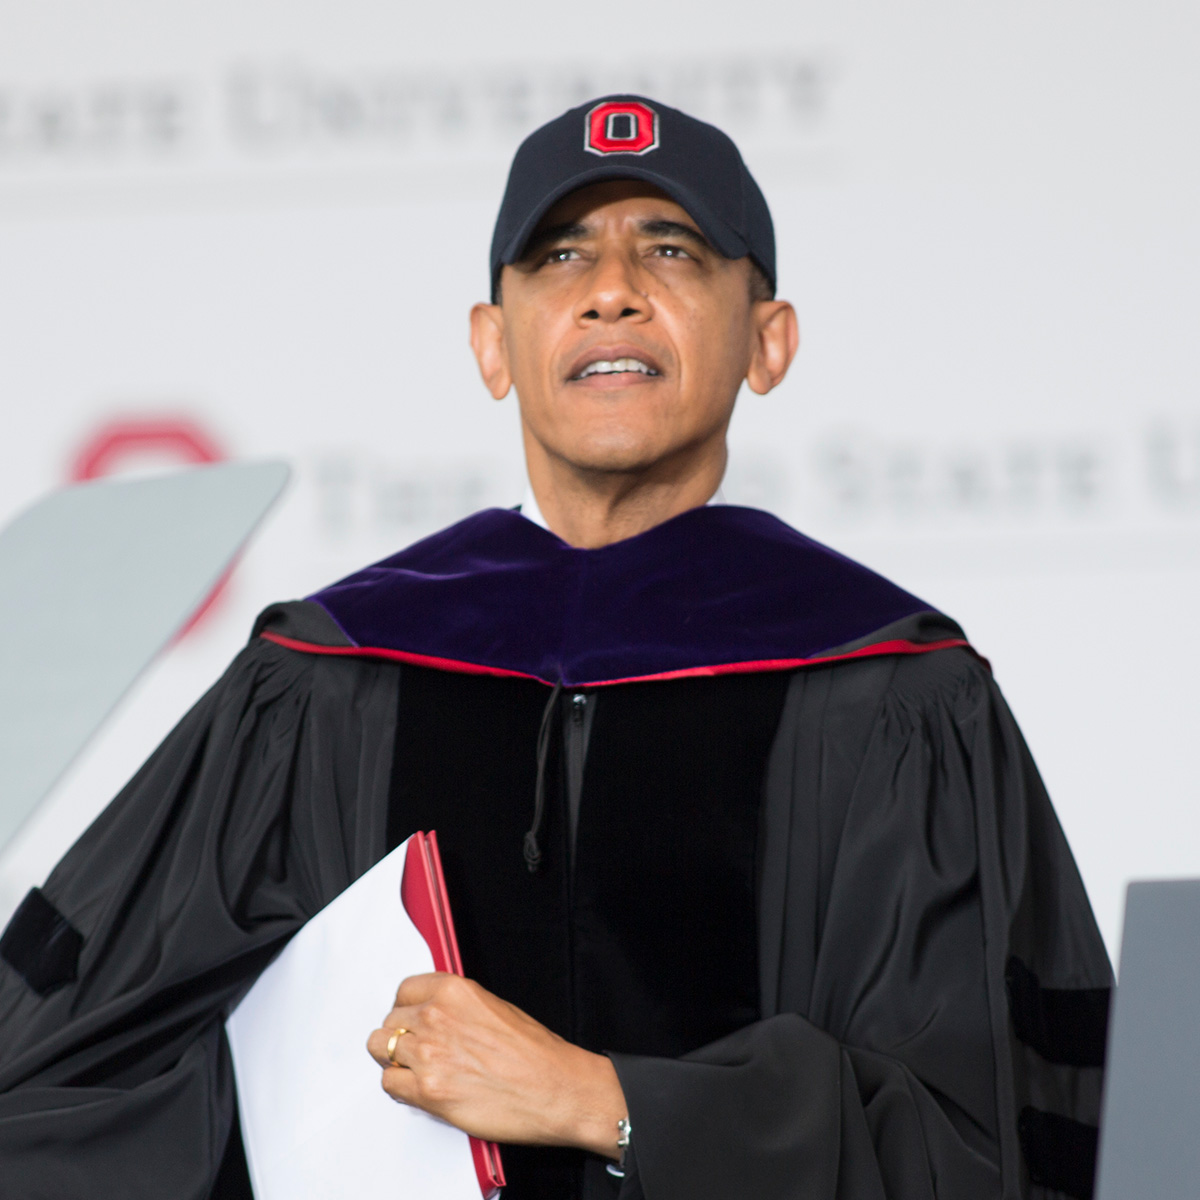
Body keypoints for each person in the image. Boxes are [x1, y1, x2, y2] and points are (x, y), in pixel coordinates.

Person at [0, 96, 1111, 1200]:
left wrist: (603, 1101)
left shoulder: (894, 692)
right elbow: (60, 1078)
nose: (612, 289)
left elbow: (988, 1140)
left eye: (669, 249)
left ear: (768, 342)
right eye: (561, 254)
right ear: (494, 346)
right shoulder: (324, 681)